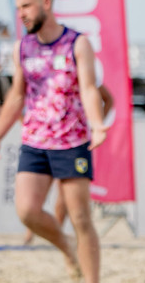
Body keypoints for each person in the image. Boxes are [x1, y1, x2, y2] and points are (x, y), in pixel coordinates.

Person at [0, 0, 108, 283]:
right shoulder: (23, 47)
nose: (20, 14)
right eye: (18, 7)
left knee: (80, 217)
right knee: (27, 211)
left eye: (26, 6)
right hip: (35, 140)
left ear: (46, 3)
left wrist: (97, 124)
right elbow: (16, 96)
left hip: (72, 141)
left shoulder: (77, 43)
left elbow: (90, 89)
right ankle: (65, 247)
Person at [22, 84, 114, 245]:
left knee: (66, 197)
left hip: (73, 140)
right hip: (43, 139)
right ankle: (38, 233)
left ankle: (57, 237)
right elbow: (19, 98)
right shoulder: (44, 75)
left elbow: (108, 99)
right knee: (35, 200)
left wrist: (95, 126)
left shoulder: (83, 73)